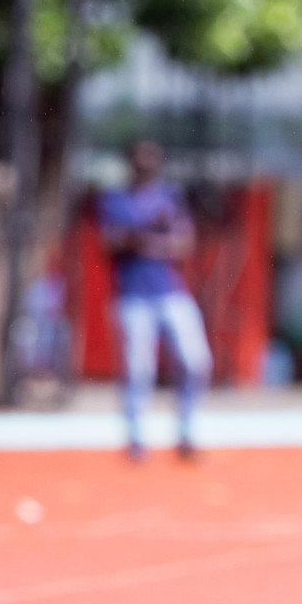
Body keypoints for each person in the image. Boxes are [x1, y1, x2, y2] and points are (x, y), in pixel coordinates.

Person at [100, 141, 212, 461]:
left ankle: (187, 432)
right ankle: (136, 438)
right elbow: (110, 242)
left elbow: (182, 243)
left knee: (195, 362)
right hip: (133, 296)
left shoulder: (169, 197)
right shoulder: (116, 199)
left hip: (171, 292)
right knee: (138, 370)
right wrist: (150, 235)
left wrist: (140, 239)